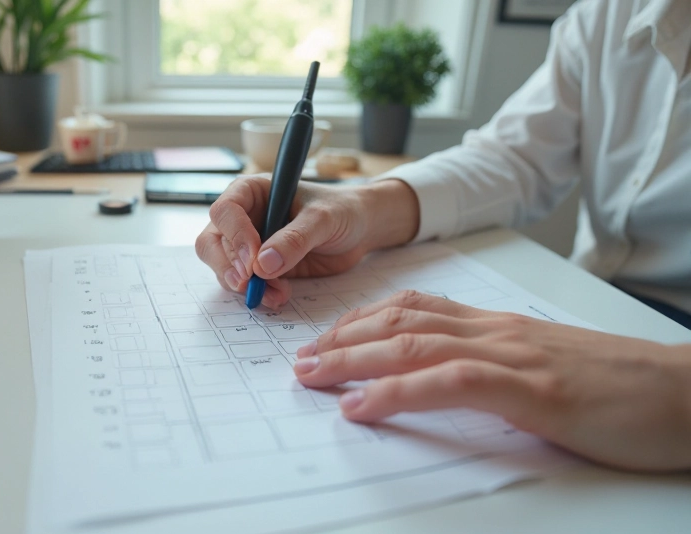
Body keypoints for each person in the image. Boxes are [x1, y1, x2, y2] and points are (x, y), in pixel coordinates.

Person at [195, 0, 691, 472]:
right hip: (592, 297)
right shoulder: (606, 13)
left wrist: (674, 384)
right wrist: (362, 211)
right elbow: (514, 159)